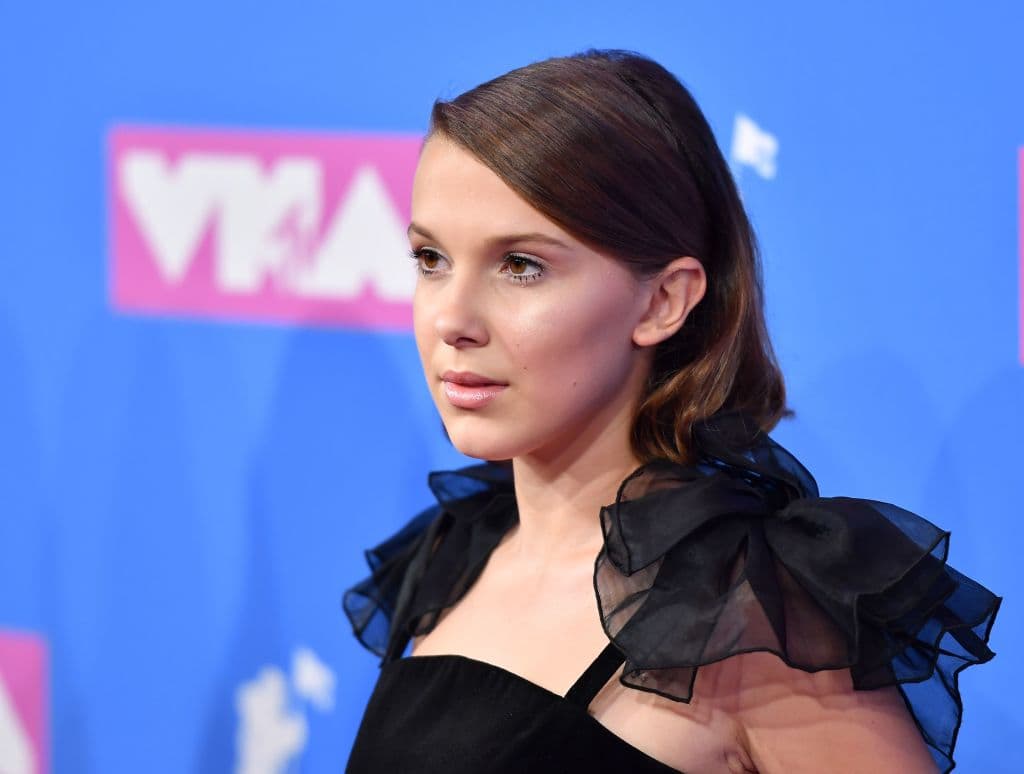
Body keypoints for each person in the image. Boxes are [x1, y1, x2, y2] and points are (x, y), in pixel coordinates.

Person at [342, 49, 1000, 773]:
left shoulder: (757, 618)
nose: (451, 318)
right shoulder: (452, 553)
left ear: (663, 300)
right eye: (431, 259)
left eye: (521, 265)